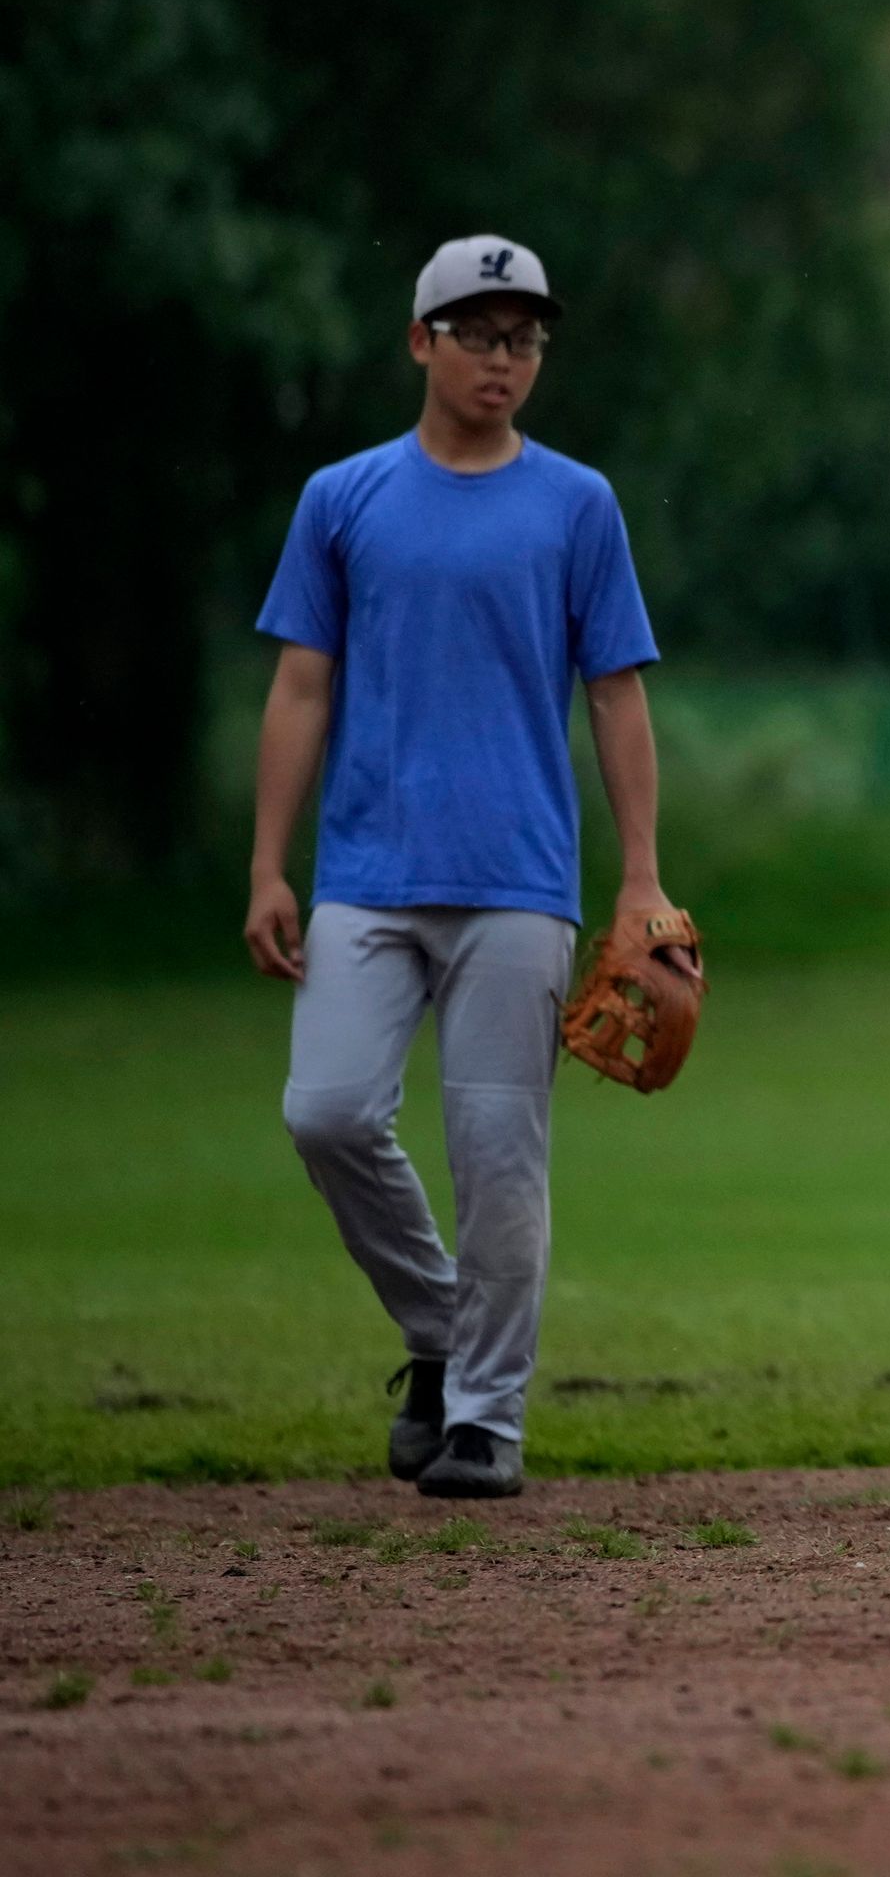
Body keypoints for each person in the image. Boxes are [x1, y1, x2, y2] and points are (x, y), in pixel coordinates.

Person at [245, 237, 668, 1500]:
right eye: (479, 332)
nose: (504, 357)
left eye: (525, 337)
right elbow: (301, 686)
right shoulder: (344, 497)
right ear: (421, 342)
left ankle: (485, 1417)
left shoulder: (577, 502)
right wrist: (269, 863)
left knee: (498, 1152)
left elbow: (617, 697)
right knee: (324, 1111)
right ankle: (441, 1331)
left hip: (517, 881)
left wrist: (640, 875)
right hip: (366, 870)